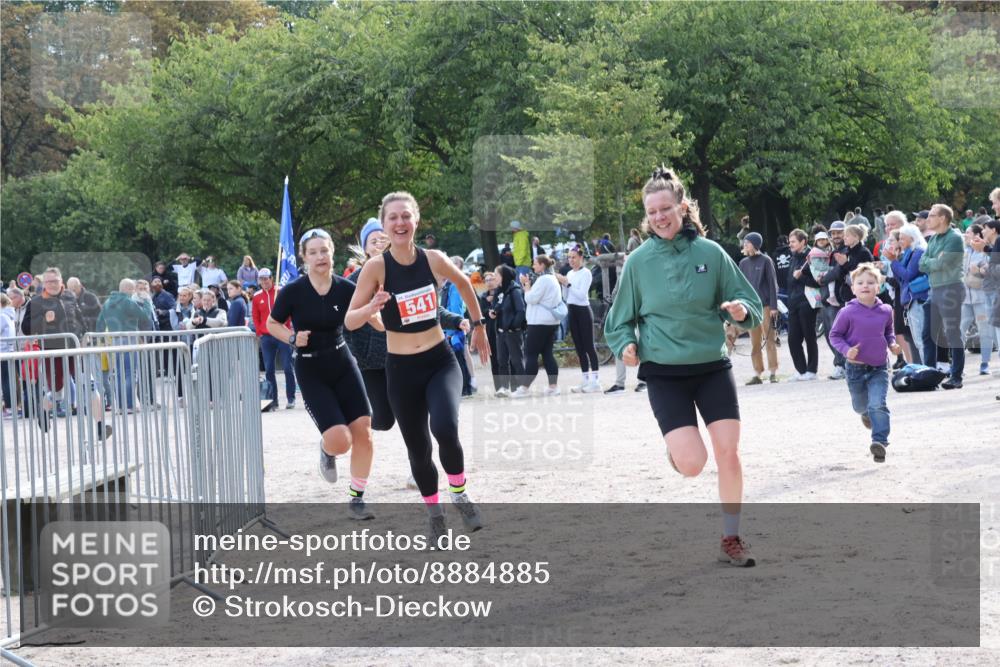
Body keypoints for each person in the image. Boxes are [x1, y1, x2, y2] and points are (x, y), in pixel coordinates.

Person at [604, 166, 762, 567]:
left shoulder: (711, 253)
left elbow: (749, 304)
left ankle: (731, 537)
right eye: (651, 211)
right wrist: (626, 345)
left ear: (682, 207)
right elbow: (618, 321)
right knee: (693, 465)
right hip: (664, 372)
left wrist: (741, 311)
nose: (659, 217)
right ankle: (678, 453)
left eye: (665, 209)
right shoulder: (638, 263)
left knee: (729, 450)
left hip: (711, 365)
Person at [345, 191, 490, 539]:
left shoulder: (433, 259)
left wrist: (480, 326)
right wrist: (372, 307)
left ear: (416, 220)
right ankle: (435, 513)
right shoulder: (376, 268)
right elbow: (350, 320)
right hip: (402, 370)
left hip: (439, 361)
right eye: (393, 217)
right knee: (419, 449)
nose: (400, 223)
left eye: (405, 216)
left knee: (445, 427)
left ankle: (460, 493)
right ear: (384, 224)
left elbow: (464, 284)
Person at [344, 218, 467, 491]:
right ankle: (346, 424)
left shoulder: (406, 269)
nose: (378, 244)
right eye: (372, 240)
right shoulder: (354, 280)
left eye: (381, 238)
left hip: (402, 359)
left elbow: (428, 311)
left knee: (422, 421)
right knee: (384, 420)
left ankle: (420, 471)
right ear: (364, 248)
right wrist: (369, 316)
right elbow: (346, 323)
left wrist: (456, 320)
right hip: (371, 362)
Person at [266, 228, 375, 520]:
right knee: (342, 440)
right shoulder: (293, 291)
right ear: (304, 257)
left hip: (342, 361)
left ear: (332, 253)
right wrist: (291, 337)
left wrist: (382, 316)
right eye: (313, 252)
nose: (320, 257)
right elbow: (272, 323)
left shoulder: (345, 289)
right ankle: (327, 451)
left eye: (324, 251)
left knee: (363, 431)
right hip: (311, 368)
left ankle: (357, 497)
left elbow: (368, 316)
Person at [829, 263, 901, 463]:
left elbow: (888, 332)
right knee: (860, 406)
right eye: (860, 283)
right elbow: (834, 335)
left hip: (879, 367)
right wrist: (846, 351)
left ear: (879, 287)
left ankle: (880, 442)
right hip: (854, 369)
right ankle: (866, 414)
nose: (865, 286)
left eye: (871, 282)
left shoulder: (886, 310)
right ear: (853, 289)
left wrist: (893, 344)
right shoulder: (847, 312)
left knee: (878, 404)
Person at [918, 204, 966, 389]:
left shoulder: (954, 237)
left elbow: (943, 263)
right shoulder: (934, 239)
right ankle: (929, 376)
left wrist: (933, 261)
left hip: (951, 288)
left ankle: (956, 377)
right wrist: (934, 260)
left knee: (952, 333)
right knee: (928, 334)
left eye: (932, 215)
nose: (928, 219)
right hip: (935, 290)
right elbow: (922, 264)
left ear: (943, 218)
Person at [734, 232, 779, 384]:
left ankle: (773, 372)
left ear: (755, 244)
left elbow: (773, 284)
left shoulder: (766, 260)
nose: (744, 245)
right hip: (750, 308)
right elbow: (740, 286)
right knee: (754, 342)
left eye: (747, 243)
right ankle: (757, 373)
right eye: (744, 243)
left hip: (766, 306)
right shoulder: (743, 263)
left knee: (770, 339)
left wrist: (774, 306)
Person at [514, 255, 562, 397]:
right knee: (547, 354)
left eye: (535, 263)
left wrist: (526, 285)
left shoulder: (543, 280)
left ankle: (524, 387)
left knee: (531, 354)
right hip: (551, 322)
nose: (533, 266)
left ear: (542, 265)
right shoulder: (552, 278)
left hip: (539, 322)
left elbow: (530, 298)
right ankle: (553, 387)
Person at [557, 245, 601, 393]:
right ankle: (585, 379)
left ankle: (595, 381)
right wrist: (564, 284)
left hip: (583, 311)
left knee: (589, 346)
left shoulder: (586, 273)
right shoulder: (569, 273)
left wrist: (567, 283)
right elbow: (566, 297)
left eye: (574, 257)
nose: (571, 260)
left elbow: (582, 295)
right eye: (569, 257)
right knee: (579, 347)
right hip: (572, 311)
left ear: (581, 258)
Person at [251, 268, 296, 411]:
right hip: (267, 337)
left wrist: (287, 328)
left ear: (271, 279)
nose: (264, 282)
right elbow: (255, 316)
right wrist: (260, 332)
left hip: (282, 333)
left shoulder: (281, 292)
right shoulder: (257, 296)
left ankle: (291, 398)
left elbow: (290, 311)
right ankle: (273, 400)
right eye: (261, 279)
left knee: (287, 367)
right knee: (269, 369)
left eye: (266, 279)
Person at [886, 220, 929, 365]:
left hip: (917, 298)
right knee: (917, 338)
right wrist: (895, 260)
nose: (900, 241)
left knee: (921, 338)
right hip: (909, 300)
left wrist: (893, 261)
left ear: (912, 238)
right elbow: (900, 279)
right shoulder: (909, 253)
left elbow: (908, 275)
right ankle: (924, 367)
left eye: (903, 238)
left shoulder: (918, 252)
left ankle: (928, 369)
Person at [960, 224, 993, 375]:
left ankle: (985, 363)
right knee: (959, 329)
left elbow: (989, 273)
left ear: (976, 235)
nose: (965, 235)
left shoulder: (985, 251)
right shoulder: (964, 251)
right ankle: (958, 365)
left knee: (984, 330)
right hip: (965, 299)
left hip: (981, 298)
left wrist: (978, 271)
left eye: (967, 232)